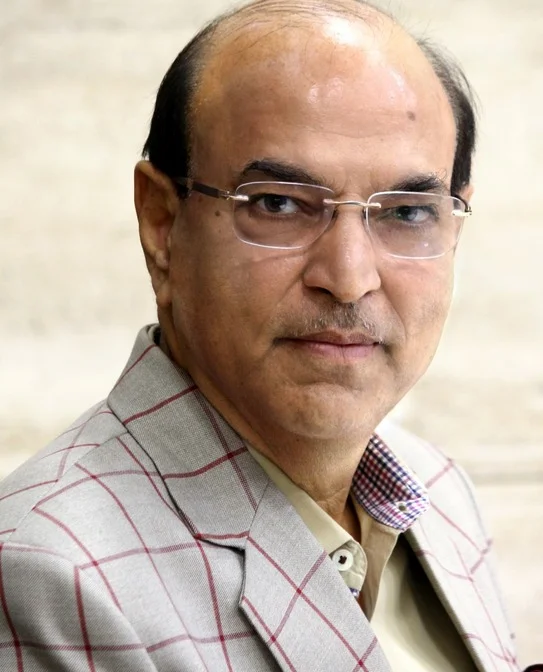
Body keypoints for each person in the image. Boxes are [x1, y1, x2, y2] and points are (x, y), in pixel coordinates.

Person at [0, 0, 522, 670]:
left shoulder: (440, 494)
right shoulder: (51, 575)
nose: (349, 278)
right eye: (279, 204)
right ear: (162, 222)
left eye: (407, 212)